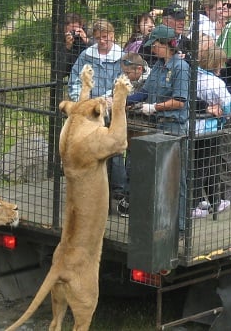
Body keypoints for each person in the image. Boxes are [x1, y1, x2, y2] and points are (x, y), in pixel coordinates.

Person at [138, 24, 191, 228]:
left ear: (168, 45)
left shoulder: (180, 68)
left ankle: (180, 225)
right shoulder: (159, 66)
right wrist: (121, 99)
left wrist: (154, 107)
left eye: (156, 45)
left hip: (175, 128)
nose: (153, 49)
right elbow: (144, 91)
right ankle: (162, 222)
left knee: (177, 178)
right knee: (159, 176)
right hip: (159, 128)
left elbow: (180, 100)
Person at [190, 42, 231, 218]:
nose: (223, 66)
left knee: (199, 166)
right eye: (221, 63)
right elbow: (230, 106)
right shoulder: (216, 82)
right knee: (204, 167)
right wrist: (222, 112)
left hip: (193, 128)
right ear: (216, 63)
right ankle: (192, 206)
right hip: (209, 130)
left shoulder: (194, 76)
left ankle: (212, 200)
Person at [110, 52, 150, 217]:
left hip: (146, 126)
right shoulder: (123, 78)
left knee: (138, 163)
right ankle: (127, 195)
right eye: (124, 72)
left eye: (128, 73)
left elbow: (148, 98)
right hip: (129, 126)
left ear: (139, 69)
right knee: (130, 161)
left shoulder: (150, 79)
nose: (125, 76)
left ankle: (131, 197)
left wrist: (126, 103)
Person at [67, 19, 122, 102]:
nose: (101, 41)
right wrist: (80, 101)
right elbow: (74, 81)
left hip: (110, 106)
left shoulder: (122, 57)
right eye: (98, 38)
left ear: (112, 35)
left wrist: (100, 102)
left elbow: (120, 87)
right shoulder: (85, 55)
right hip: (84, 106)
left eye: (104, 37)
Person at [56, 12, 90, 79]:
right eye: (70, 32)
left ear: (81, 26)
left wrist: (87, 41)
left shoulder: (90, 36)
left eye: (75, 30)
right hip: (75, 81)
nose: (74, 34)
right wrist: (67, 48)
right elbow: (61, 73)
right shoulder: (61, 41)